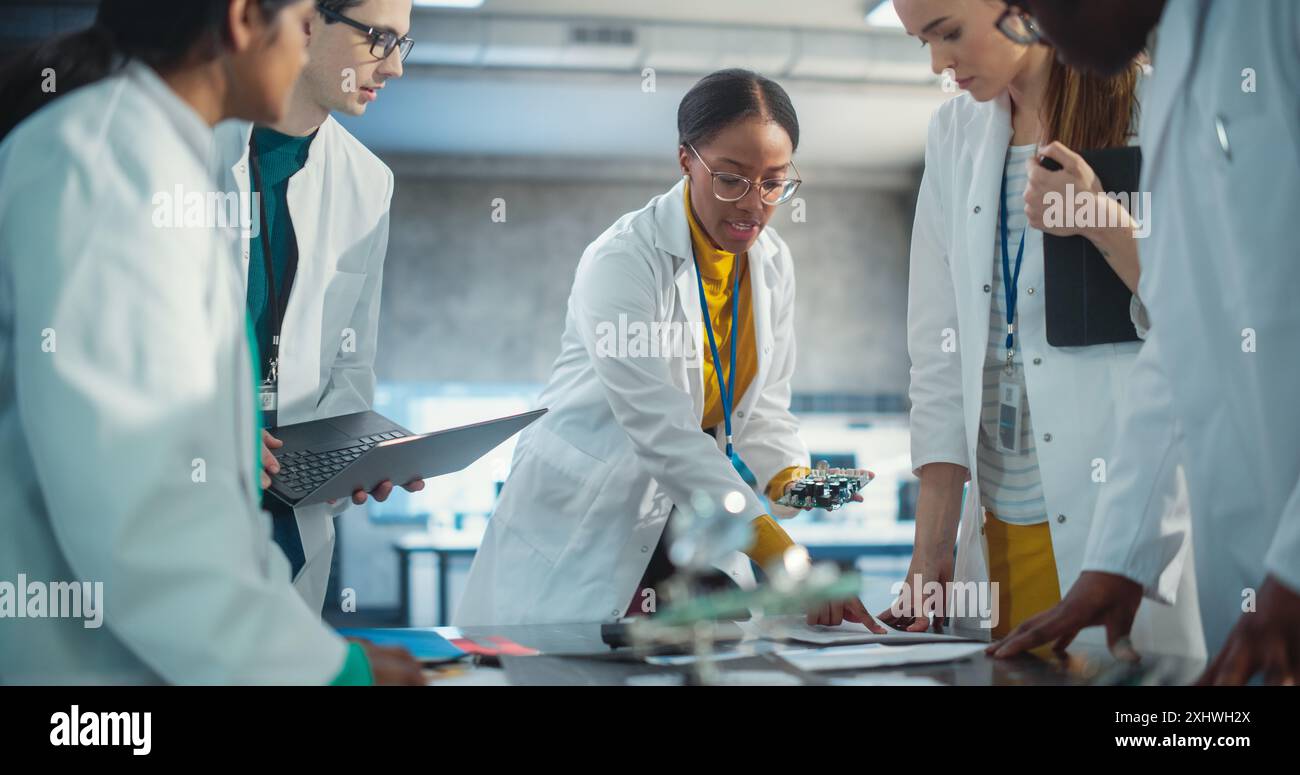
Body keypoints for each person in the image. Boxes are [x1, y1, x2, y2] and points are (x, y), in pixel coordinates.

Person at [0, 0, 422, 685]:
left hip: (197, 609)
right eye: (300, 20)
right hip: (91, 666)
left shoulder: (150, 154)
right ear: (243, 19)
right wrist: (329, 671)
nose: (304, 41)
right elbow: (145, 515)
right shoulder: (115, 164)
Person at [455, 69, 882, 629]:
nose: (753, 204)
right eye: (731, 179)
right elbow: (661, 427)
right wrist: (782, 555)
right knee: (577, 661)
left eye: (774, 183)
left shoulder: (772, 263)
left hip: (691, 514)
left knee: (716, 653)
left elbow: (762, 409)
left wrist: (791, 480)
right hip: (591, 514)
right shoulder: (624, 260)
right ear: (686, 160)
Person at [989, 0, 1300, 685]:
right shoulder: (1177, 70)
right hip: (1255, 600)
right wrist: (1120, 558)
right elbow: (1183, 336)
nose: (1043, 37)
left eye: (1033, 10)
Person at [885, 0, 1202, 656]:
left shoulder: (1158, 106)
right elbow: (939, 357)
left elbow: (1206, 316)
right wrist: (931, 548)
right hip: (997, 532)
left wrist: (1100, 219)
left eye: (949, 33)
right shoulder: (953, 134)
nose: (940, 63)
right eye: (923, 43)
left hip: (1118, 522)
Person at [215, 0, 423, 615]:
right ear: (308, 19)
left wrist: (354, 458)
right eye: (379, 37)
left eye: (402, 44)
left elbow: (350, 363)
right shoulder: (192, 149)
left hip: (288, 516)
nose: (394, 67)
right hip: (180, 490)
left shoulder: (368, 181)